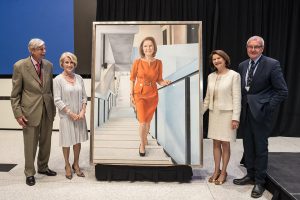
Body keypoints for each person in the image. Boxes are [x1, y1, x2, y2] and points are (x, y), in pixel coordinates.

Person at [233, 36, 288, 198]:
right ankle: (250, 174)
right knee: (248, 145)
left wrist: (268, 106)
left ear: (262, 49)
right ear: (247, 48)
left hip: (262, 113)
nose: (253, 49)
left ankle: (260, 181)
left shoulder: (272, 64)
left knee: (261, 148)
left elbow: (282, 91)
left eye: (257, 47)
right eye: (250, 47)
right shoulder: (243, 65)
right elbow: (245, 90)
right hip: (246, 112)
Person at [11, 38, 57, 186]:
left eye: (44, 48)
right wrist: (18, 114)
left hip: (47, 110)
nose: (45, 51)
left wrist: (53, 109)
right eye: (41, 49)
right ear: (32, 50)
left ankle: (43, 167)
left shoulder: (49, 65)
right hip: (29, 111)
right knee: (30, 144)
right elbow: (15, 94)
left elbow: (50, 90)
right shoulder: (20, 66)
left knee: (46, 141)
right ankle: (29, 172)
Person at [203, 50, 241, 185]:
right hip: (214, 114)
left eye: (219, 58)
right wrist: (199, 114)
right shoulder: (210, 76)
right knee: (215, 143)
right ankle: (216, 170)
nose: (216, 61)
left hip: (228, 114)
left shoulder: (234, 75)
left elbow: (237, 98)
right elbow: (207, 98)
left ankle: (224, 172)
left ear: (225, 59)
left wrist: (235, 117)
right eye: (214, 59)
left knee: (225, 143)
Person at [130, 36, 171, 156]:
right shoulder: (137, 62)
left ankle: (145, 138)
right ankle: (142, 144)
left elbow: (159, 79)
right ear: (142, 48)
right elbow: (132, 79)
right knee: (142, 121)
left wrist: (165, 82)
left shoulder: (158, 63)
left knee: (148, 122)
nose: (148, 48)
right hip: (140, 94)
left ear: (154, 48)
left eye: (150, 46)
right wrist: (131, 94)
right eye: (145, 46)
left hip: (153, 94)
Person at [53, 52, 88, 179]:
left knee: (77, 141)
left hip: (79, 115)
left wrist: (83, 111)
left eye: (72, 62)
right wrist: (70, 113)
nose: (69, 64)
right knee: (67, 141)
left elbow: (84, 97)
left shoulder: (79, 78)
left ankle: (76, 164)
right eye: (67, 62)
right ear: (62, 64)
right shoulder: (57, 80)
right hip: (67, 116)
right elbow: (57, 100)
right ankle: (67, 165)